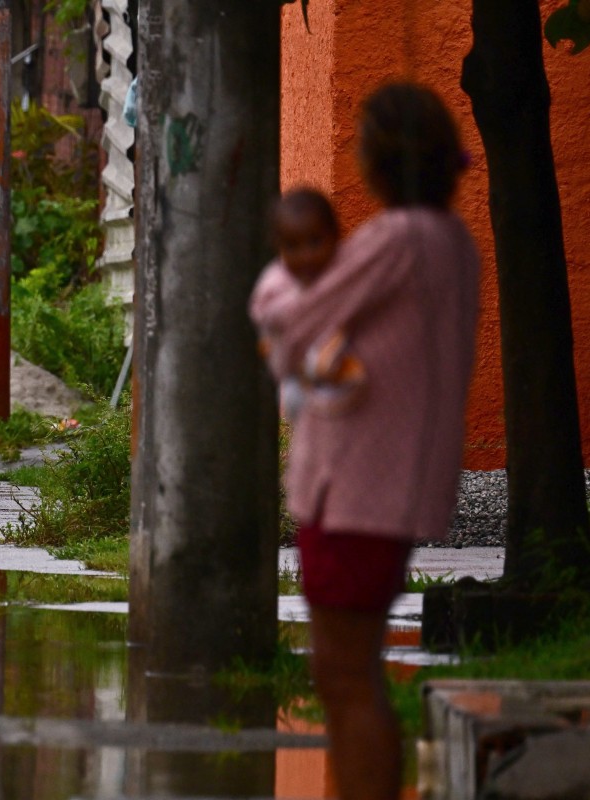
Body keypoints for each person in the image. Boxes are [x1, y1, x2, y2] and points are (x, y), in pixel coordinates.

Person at [250, 81, 478, 800]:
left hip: (359, 488)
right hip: (382, 486)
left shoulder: (399, 238)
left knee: (346, 674)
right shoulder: (449, 241)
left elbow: (303, 317)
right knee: (349, 671)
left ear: (385, 155)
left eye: (361, 141)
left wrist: (272, 308)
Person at [257, 187, 366, 420]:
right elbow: (267, 316)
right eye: (293, 247)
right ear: (278, 247)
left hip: (345, 376)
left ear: (336, 237)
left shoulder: (343, 274)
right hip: (298, 379)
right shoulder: (277, 282)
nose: (306, 255)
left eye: (315, 242)